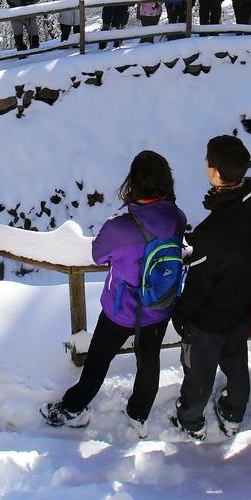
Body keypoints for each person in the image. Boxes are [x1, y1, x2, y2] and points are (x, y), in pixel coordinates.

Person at [41, 152, 187, 435]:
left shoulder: (119, 227)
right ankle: (139, 414)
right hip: (159, 304)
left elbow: (98, 254)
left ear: (133, 183)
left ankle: (73, 408)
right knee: (149, 361)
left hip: (121, 309)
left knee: (98, 359)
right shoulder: (176, 218)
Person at [172, 135, 251, 440]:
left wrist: (181, 314)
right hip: (241, 304)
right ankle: (233, 413)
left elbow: (198, 285)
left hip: (208, 319)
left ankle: (190, 419)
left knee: (199, 372)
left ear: (215, 173)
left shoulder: (211, 232)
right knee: (236, 362)